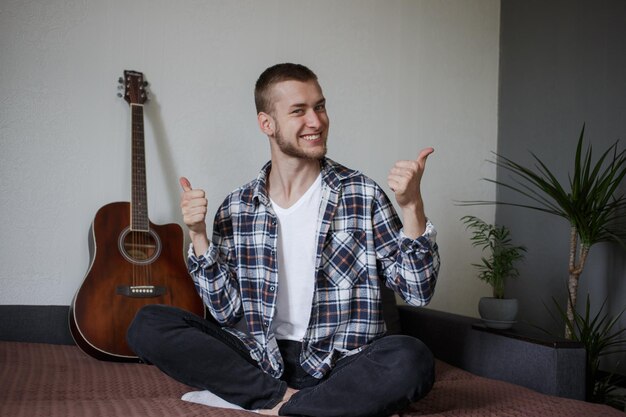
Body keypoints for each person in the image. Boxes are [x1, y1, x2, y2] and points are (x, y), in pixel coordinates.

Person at [127, 63, 440, 417]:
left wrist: (413, 207)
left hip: (341, 361)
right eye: (299, 111)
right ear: (267, 124)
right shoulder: (237, 207)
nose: (316, 121)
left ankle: (275, 406)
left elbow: (417, 291)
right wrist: (198, 235)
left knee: (412, 358)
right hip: (260, 358)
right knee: (147, 323)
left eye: (319, 106)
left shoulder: (361, 194)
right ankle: (295, 402)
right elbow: (226, 314)